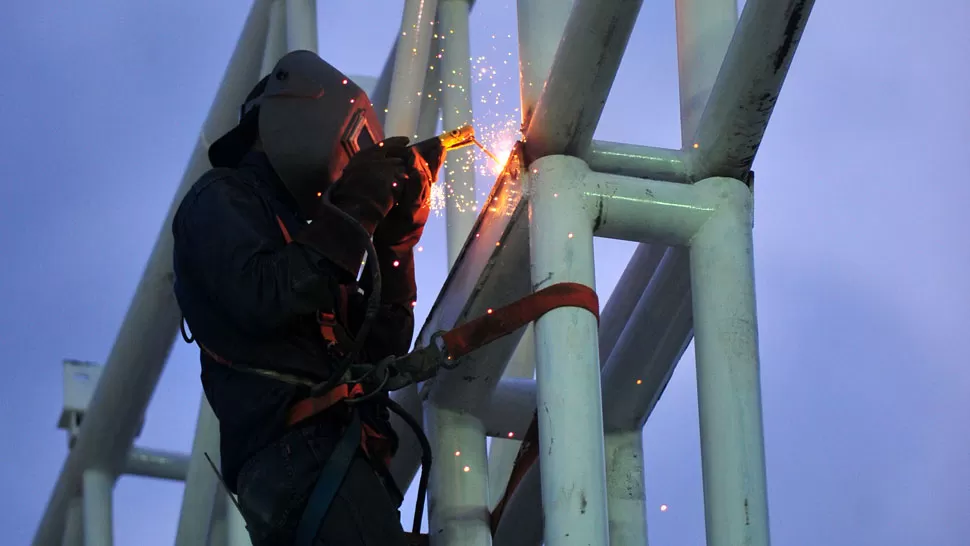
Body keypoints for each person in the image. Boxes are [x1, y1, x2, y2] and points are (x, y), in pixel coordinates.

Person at [171, 50, 444, 545]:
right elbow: (265, 293)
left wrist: (394, 242)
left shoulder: (313, 239)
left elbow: (380, 348)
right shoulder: (219, 198)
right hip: (298, 463)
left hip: (338, 461)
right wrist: (357, 208)